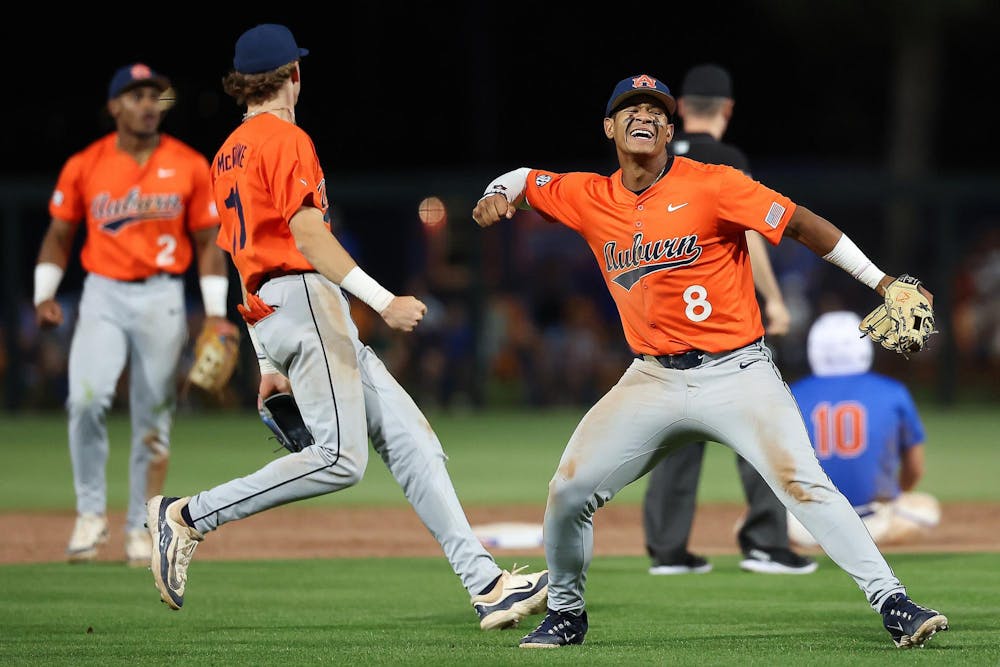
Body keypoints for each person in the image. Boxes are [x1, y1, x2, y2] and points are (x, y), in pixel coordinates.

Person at [472, 73, 949, 649]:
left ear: (669, 129)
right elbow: (524, 178)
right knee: (569, 491)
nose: (643, 115)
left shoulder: (714, 184)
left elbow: (798, 222)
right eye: (630, 108)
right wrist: (495, 193)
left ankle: (893, 602)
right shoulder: (588, 195)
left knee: (804, 484)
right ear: (609, 127)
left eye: (655, 109)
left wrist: (879, 279)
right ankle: (567, 613)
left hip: (739, 372)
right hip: (650, 378)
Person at [145, 23, 547, 631]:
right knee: (339, 458)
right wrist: (383, 302)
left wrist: (268, 362)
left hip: (274, 308)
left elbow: (242, 262)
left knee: (413, 443)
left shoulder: (225, 154)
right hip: (305, 301)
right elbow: (307, 236)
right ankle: (187, 516)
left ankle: (488, 585)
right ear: (294, 74)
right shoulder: (286, 138)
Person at [33, 63, 229, 567]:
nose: (147, 103)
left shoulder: (187, 163)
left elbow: (209, 242)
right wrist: (45, 294)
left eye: (155, 95)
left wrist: (213, 314)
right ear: (115, 106)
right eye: (136, 95)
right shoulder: (86, 164)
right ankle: (90, 515)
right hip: (103, 295)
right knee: (86, 400)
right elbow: (58, 235)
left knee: (153, 423)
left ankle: (141, 527)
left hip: (162, 298)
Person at [641, 63, 815, 575]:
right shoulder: (725, 161)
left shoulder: (650, 159)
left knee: (674, 427)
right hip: (724, 323)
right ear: (728, 109)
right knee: (760, 425)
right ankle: (764, 542)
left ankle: (668, 551)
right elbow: (752, 231)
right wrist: (775, 299)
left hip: (662, 323)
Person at [787, 310, 941, 547]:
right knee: (927, 508)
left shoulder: (790, 394)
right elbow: (915, 468)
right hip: (873, 522)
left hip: (805, 525)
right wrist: (894, 496)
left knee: (758, 518)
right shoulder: (892, 391)